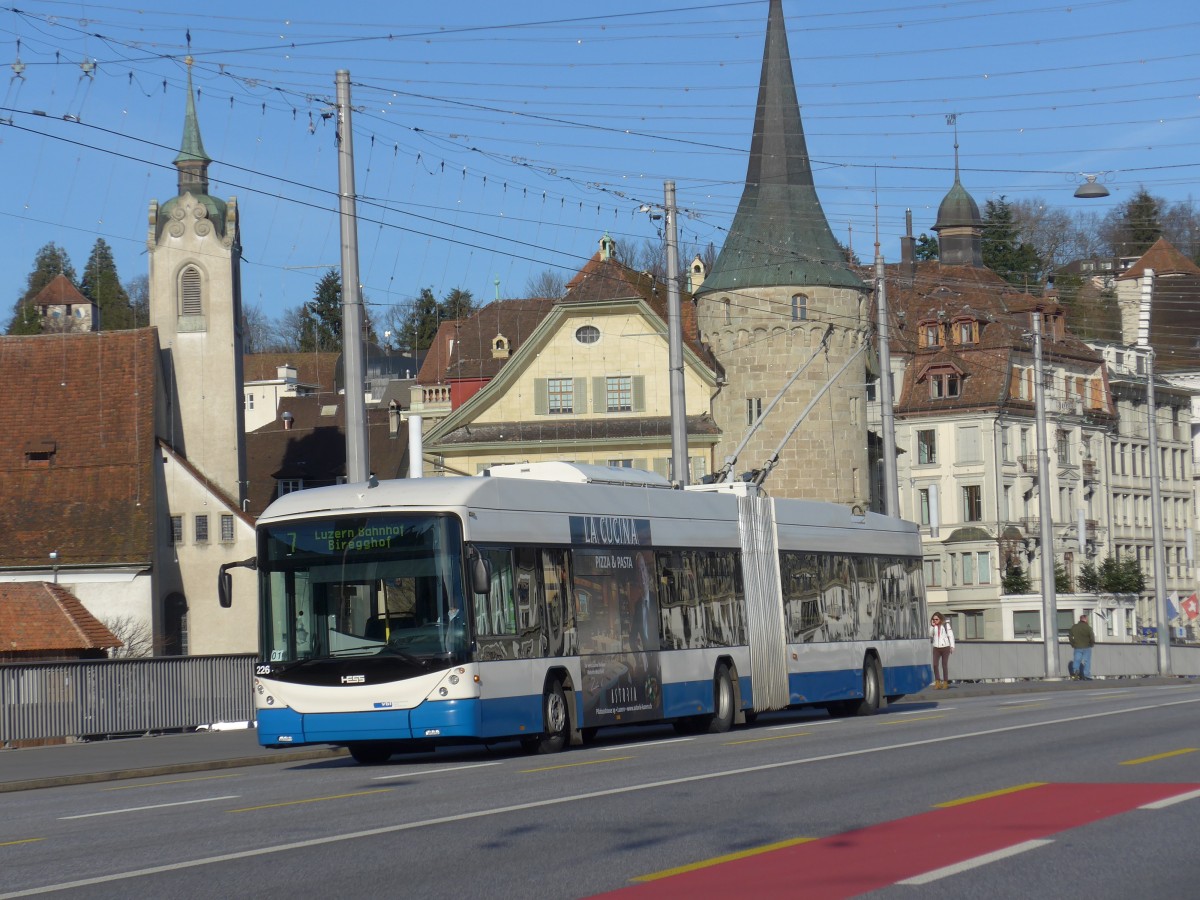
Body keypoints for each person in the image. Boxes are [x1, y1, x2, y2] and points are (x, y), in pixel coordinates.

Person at [929, 612, 954, 689]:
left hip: (945, 647)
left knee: (944, 665)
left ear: (940, 619)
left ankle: (945, 682)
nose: (935, 620)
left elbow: (951, 635)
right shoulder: (933, 626)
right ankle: (937, 682)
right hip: (936, 647)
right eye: (933, 619)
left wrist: (952, 646)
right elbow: (930, 634)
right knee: (935, 665)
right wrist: (932, 626)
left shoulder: (946, 625)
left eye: (936, 619)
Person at [1068, 613, 1095, 680]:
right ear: (1085, 619)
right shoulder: (1088, 627)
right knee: (1087, 661)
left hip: (1077, 647)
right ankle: (1086, 675)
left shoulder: (1074, 627)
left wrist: (1072, 644)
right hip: (1087, 647)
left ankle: (1075, 674)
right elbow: (1092, 637)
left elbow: (1070, 636)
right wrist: (1091, 644)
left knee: (1077, 660)